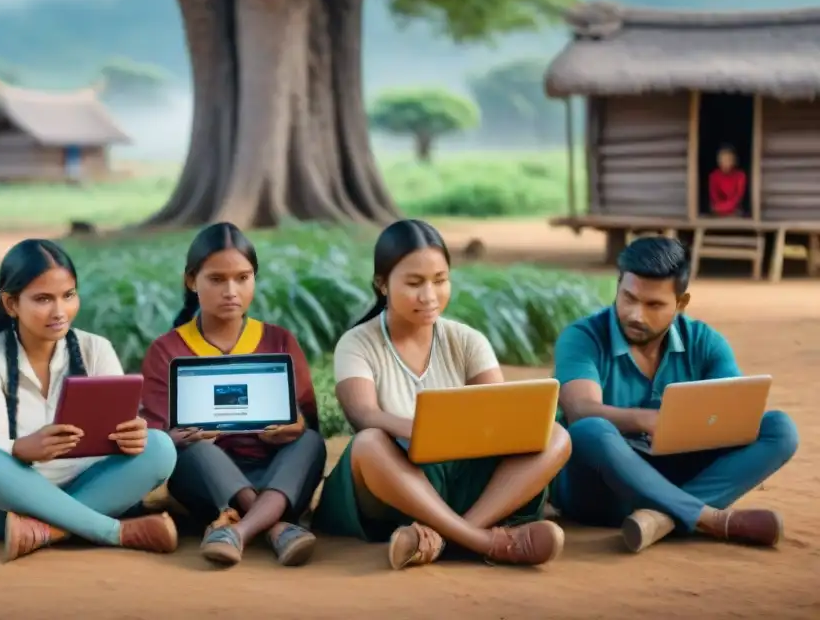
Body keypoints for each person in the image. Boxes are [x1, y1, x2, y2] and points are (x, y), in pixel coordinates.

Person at [313, 219, 571, 570]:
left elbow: (501, 414)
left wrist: (470, 432)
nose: (430, 296)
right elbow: (363, 415)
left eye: (440, 280)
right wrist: (420, 430)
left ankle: (447, 536)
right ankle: (485, 542)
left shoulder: (466, 340)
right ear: (382, 284)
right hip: (396, 481)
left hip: (461, 480)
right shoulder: (358, 343)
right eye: (415, 283)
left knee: (556, 436)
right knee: (370, 442)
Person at [552, 236, 799, 553]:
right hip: (602, 491)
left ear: (681, 303)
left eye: (653, 305)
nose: (635, 314)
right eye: (628, 297)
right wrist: (648, 420)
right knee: (589, 430)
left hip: (676, 473)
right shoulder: (583, 336)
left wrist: (686, 427)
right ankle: (709, 518)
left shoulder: (705, 342)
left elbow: (733, 417)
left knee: (780, 429)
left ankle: (661, 518)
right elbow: (581, 410)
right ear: (618, 287)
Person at [0, 238, 179, 562]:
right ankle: (112, 532)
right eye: (43, 299)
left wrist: (135, 435)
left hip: (90, 489)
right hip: (7, 508)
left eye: (68, 295)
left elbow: (121, 426)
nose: (60, 311)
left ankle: (47, 531)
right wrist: (22, 448)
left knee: (160, 447)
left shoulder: (95, 349)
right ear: (11, 303)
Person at [141, 222, 326, 568]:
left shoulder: (279, 340)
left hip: (277, 472)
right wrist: (178, 437)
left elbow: (307, 417)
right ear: (191, 280)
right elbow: (154, 437)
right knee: (192, 450)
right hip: (209, 478)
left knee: (311, 442)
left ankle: (238, 532)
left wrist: (295, 427)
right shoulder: (167, 350)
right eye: (216, 279)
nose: (231, 291)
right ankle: (275, 526)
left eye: (242, 278)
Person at [708, 144, 747, 217]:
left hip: (735, 210)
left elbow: (737, 198)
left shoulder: (740, 176)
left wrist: (725, 208)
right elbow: (714, 197)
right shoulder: (714, 176)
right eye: (723, 160)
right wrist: (720, 208)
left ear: (734, 161)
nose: (726, 163)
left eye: (729, 160)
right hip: (718, 209)